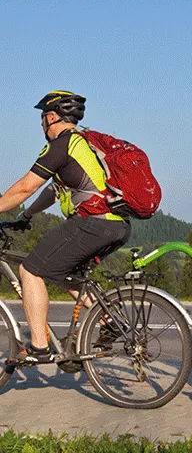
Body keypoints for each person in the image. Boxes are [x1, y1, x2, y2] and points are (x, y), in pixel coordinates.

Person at [2, 91, 131, 364]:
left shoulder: (61, 145)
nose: (41, 124)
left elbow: (26, 187)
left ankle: (39, 347)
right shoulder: (83, 144)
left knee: (30, 270)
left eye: (42, 118)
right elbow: (53, 191)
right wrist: (26, 216)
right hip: (116, 225)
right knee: (61, 272)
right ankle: (109, 320)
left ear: (51, 117)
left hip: (94, 223)